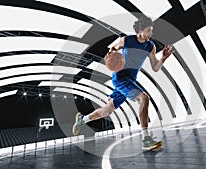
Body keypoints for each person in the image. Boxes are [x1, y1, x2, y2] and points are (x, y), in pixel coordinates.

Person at [72, 16, 173, 150]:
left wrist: (164, 58)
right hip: (120, 78)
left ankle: (83, 119)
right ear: (140, 30)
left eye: (151, 31)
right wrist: (112, 57)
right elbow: (112, 49)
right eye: (149, 30)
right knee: (144, 98)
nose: (151, 33)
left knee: (107, 111)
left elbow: (155, 67)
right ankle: (146, 139)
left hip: (130, 80)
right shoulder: (126, 40)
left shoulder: (150, 46)